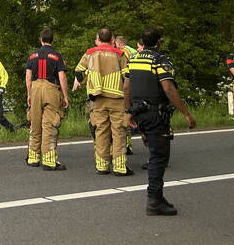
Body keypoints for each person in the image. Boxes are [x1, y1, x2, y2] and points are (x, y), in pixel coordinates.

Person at [125, 27, 196, 215]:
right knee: (159, 158)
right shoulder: (160, 60)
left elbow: (126, 87)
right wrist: (186, 114)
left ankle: (158, 196)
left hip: (139, 113)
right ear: (158, 43)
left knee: (155, 153)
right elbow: (168, 89)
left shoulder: (133, 59)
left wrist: (128, 111)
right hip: (156, 114)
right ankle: (154, 200)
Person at [73, 27, 131, 176]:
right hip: (117, 98)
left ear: (98, 38)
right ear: (112, 39)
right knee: (119, 132)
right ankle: (119, 167)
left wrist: (87, 82)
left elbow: (78, 72)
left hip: (97, 98)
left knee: (101, 131)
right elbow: (127, 77)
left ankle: (102, 166)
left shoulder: (90, 53)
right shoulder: (120, 54)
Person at [25, 28, 69, 171]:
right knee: (50, 124)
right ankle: (49, 160)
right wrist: (65, 96)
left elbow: (28, 77)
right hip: (51, 89)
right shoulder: (57, 56)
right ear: (52, 40)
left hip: (36, 88)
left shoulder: (32, 56)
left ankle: (33, 157)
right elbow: (62, 76)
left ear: (41, 39)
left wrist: (29, 94)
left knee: (35, 122)